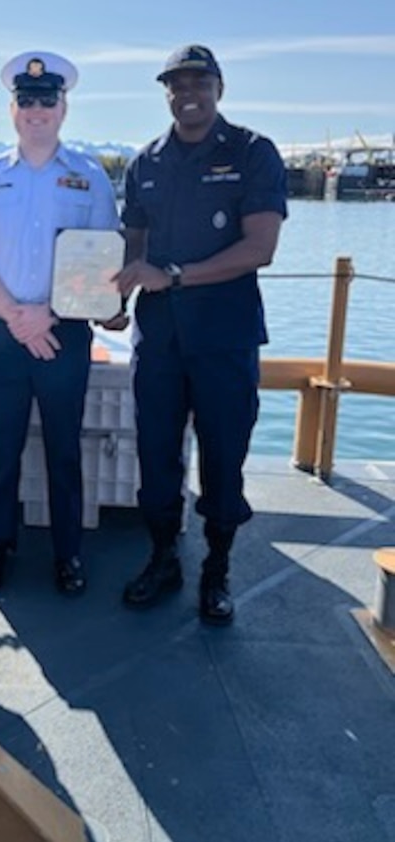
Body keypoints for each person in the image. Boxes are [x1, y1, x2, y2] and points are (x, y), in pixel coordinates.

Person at [117, 44, 287, 624]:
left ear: (219, 87)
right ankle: (164, 557)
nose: (187, 93)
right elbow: (133, 246)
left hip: (225, 337)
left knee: (224, 456)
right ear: (165, 92)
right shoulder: (146, 162)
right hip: (159, 339)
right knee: (156, 454)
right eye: (176, 83)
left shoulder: (252, 152)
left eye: (199, 82)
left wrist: (175, 275)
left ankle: (217, 569)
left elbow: (260, 247)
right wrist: (111, 299)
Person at [0, 51, 121, 596]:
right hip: (3, 332)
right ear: (12, 109)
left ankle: (67, 553)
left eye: (46, 100)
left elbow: (102, 259)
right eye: (26, 101)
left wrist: (46, 316)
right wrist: (17, 318)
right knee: (1, 445)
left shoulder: (90, 178)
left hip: (65, 330)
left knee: (62, 447)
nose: (36, 110)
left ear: (63, 107)